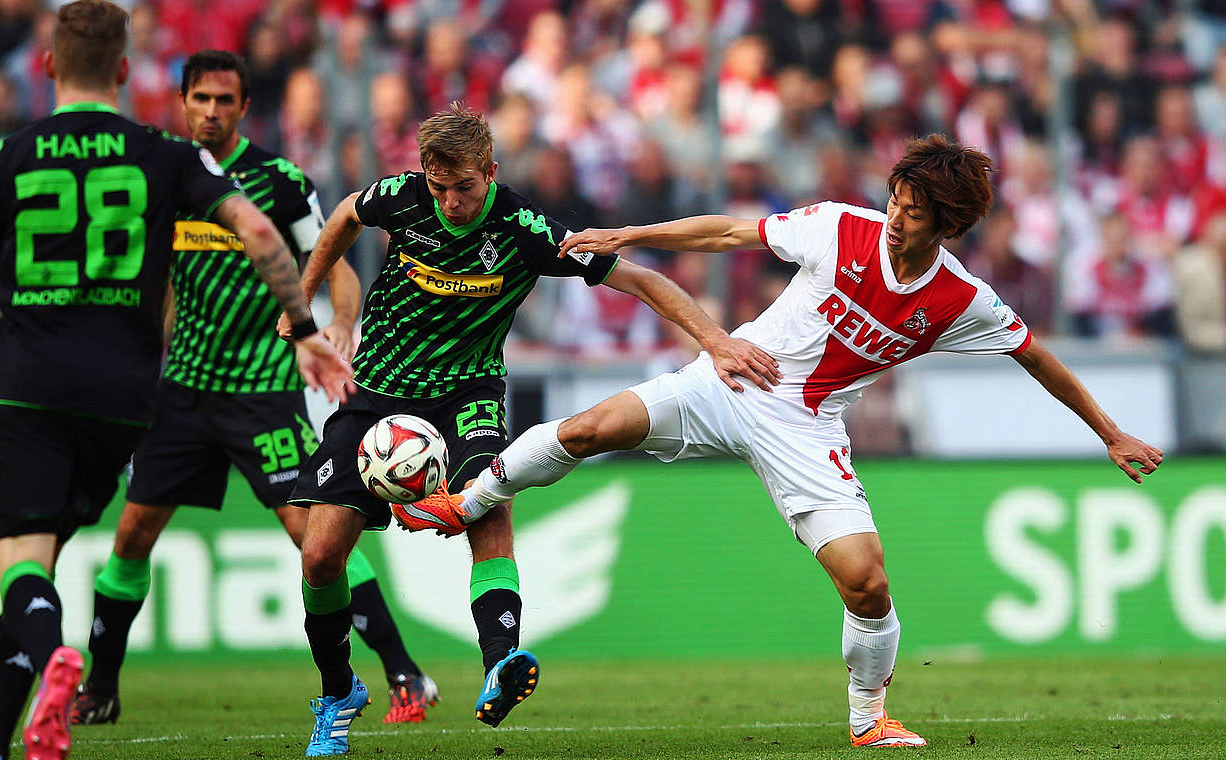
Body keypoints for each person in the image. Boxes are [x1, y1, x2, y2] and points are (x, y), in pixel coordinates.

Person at [407, 134, 1164, 748]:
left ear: (948, 225)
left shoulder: (960, 298)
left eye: (913, 212)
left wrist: (1110, 432)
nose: (895, 218)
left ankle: (869, 720)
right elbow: (730, 230)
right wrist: (630, 234)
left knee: (867, 583)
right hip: (733, 375)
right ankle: (464, 500)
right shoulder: (841, 227)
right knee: (586, 428)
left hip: (807, 427)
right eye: (895, 201)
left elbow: (1035, 355)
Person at [280, 102, 778, 756]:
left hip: (468, 395)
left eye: (464, 187)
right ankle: (340, 689)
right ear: (423, 175)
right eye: (439, 188)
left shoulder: (523, 229)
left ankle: (499, 664)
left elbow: (640, 278)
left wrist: (714, 340)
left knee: (490, 514)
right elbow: (344, 213)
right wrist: (301, 306)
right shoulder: (401, 198)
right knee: (320, 556)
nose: (451, 202)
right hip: (376, 390)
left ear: (491, 170)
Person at [0, 4, 352, 760]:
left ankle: (58, 656)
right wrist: (309, 328)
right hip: (127, 396)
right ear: (126, 71)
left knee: (26, 563)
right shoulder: (162, 154)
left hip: (28, 383)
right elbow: (261, 233)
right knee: (100, 538)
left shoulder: (8, 155)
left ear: (50, 65)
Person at [71, 50, 438, 729]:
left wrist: (344, 322)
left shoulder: (280, 183)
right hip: (180, 393)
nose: (211, 111)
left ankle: (403, 672)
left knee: (318, 539)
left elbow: (334, 265)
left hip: (262, 390)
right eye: (200, 99)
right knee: (130, 536)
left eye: (224, 100)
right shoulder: (163, 176)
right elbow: (167, 287)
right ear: (183, 102)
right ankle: (101, 687)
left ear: (243, 108)